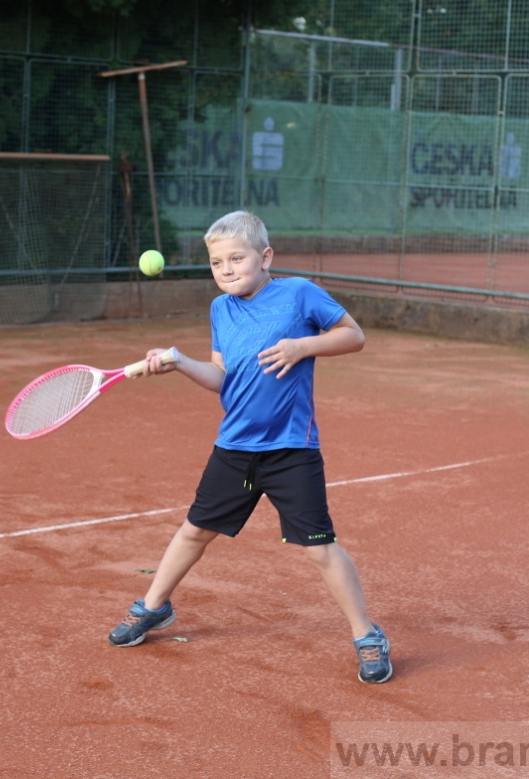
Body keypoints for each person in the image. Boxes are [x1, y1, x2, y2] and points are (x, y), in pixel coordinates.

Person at [106, 210, 392, 684]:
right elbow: (223, 377)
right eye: (216, 262)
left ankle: (367, 635)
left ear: (265, 257)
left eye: (236, 259)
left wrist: (303, 347)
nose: (226, 269)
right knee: (195, 531)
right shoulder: (221, 309)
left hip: (291, 450)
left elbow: (353, 335)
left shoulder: (298, 293)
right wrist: (179, 362)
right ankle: (154, 606)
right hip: (235, 447)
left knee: (320, 549)